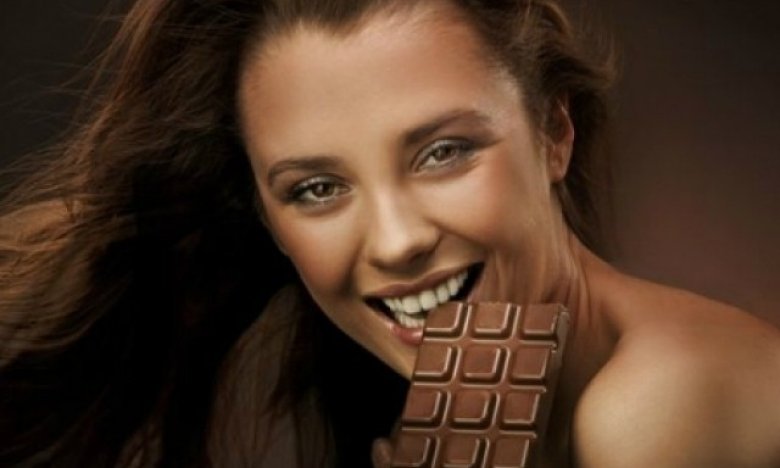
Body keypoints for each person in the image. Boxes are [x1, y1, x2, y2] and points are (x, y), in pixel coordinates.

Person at [0, 0, 778, 467]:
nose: (397, 241)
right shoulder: (467, 415)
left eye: (444, 153)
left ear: (553, 131)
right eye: (317, 189)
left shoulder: (658, 405)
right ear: (268, 220)